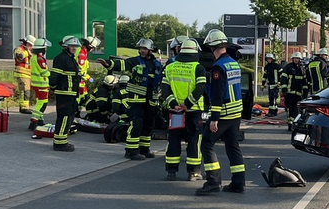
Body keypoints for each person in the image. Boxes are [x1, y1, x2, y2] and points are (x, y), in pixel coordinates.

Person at [196, 29, 245, 195]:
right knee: (233, 146)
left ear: (213, 47)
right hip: (236, 112)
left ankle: (213, 182)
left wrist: (214, 119)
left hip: (223, 113)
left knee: (206, 144)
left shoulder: (218, 67)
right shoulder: (233, 63)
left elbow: (217, 95)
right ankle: (238, 182)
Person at [99, 38, 162, 160]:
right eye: (141, 48)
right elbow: (122, 64)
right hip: (136, 101)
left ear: (150, 50)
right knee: (136, 125)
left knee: (148, 125)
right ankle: (131, 151)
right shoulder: (135, 61)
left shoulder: (156, 64)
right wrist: (109, 64)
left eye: (144, 49)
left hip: (151, 100)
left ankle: (144, 149)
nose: (142, 51)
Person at [162, 39, 207, 181]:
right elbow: (200, 88)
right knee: (194, 140)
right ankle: (193, 172)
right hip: (193, 111)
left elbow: (164, 88)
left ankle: (171, 172)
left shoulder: (170, 67)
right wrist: (188, 104)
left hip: (175, 111)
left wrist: (174, 103)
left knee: (174, 139)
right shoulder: (198, 68)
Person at [49, 36, 82, 152]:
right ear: (66, 46)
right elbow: (54, 76)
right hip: (64, 93)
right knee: (63, 118)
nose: (75, 48)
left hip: (72, 94)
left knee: (69, 117)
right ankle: (59, 143)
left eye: (76, 46)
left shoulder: (71, 59)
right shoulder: (61, 58)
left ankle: (63, 140)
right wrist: (52, 88)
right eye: (72, 46)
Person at [280, 52, 308, 131]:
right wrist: (284, 89)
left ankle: (292, 122)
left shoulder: (302, 68)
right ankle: (290, 123)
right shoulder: (288, 67)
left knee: (297, 108)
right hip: (289, 92)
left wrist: (305, 91)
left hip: (298, 93)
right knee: (289, 108)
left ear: (300, 59)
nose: (296, 60)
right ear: (292, 59)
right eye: (295, 58)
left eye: (298, 58)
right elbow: (283, 79)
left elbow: (304, 81)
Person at [29, 38, 52, 131]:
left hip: (36, 84)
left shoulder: (34, 57)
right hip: (42, 84)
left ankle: (40, 121)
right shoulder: (40, 58)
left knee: (39, 102)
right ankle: (34, 121)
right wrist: (51, 74)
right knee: (42, 104)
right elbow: (44, 72)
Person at [76, 36, 101, 112]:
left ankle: (77, 113)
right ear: (89, 46)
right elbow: (79, 70)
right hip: (78, 80)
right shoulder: (82, 54)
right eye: (92, 48)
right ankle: (75, 114)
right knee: (79, 99)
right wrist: (88, 78)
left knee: (83, 97)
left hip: (80, 81)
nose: (92, 49)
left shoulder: (82, 51)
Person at [13, 35, 36, 114]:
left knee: (26, 91)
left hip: (28, 74)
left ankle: (23, 107)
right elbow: (20, 57)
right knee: (25, 90)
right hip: (21, 74)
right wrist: (27, 52)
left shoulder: (30, 51)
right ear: (26, 43)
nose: (31, 47)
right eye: (30, 45)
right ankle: (24, 108)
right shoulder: (19, 49)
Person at [262, 53, 283, 117]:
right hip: (270, 85)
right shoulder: (267, 67)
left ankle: (272, 112)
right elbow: (264, 76)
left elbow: (282, 74)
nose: (269, 60)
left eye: (270, 59)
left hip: (276, 85)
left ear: (272, 59)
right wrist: (263, 84)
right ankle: (274, 111)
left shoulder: (277, 66)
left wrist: (280, 82)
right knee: (271, 99)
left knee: (273, 98)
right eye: (268, 59)